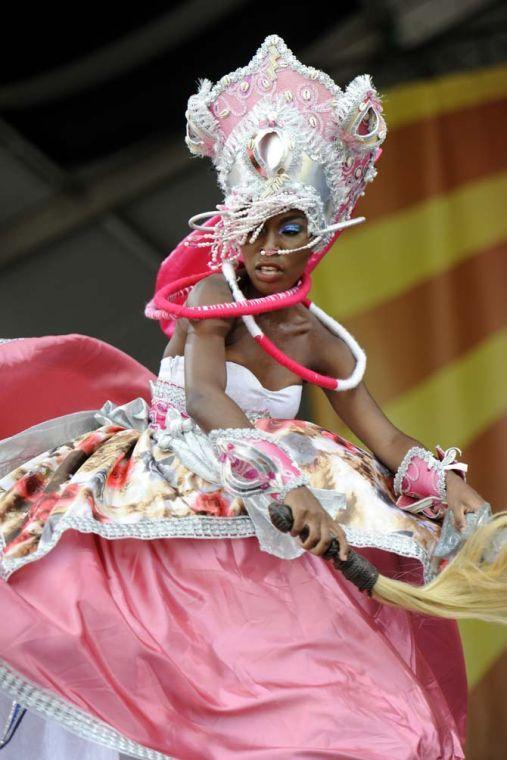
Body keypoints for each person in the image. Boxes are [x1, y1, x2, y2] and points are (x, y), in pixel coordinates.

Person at [0, 35, 506, 760]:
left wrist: (457, 496)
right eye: (252, 226)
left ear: (324, 233)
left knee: (343, 707)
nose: (267, 249)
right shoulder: (216, 298)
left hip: (269, 531)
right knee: (149, 664)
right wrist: (288, 482)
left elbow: (383, 437)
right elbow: (207, 399)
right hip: (179, 495)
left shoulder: (324, 342)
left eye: (289, 227)